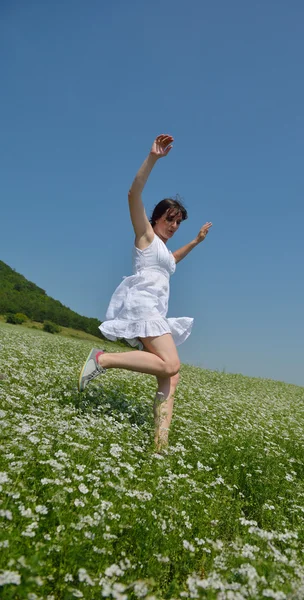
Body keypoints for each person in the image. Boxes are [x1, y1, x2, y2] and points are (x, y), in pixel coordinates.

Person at [78, 134, 212, 451]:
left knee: (171, 377)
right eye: (171, 218)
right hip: (143, 307)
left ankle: (159, 445)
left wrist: (195, 241)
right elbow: (133, 193)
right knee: (171, 365)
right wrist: (152, 158)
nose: (174, 225)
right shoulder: (146, 235)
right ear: (157, 217)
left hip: (156, 311)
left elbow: (172, 260)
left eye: (178, 222)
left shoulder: (164, 252)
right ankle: (103, 359)